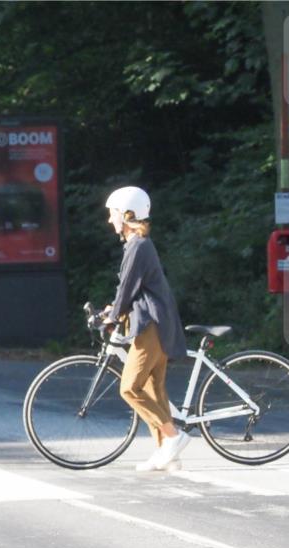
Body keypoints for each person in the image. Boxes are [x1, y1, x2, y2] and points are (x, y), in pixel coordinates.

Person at [102, 186, 190, 472]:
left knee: (129, 388)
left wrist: (113, 316)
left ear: (126, 215)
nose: (109, 220)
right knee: (154, 389)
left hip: (151, 326)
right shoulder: (139, 245)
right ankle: (166, 452)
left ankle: (173, 437)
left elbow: (127, 287)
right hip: (157, 322)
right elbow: (130, 289)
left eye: (112, 214)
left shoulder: (138, 246)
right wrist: (112, 310)